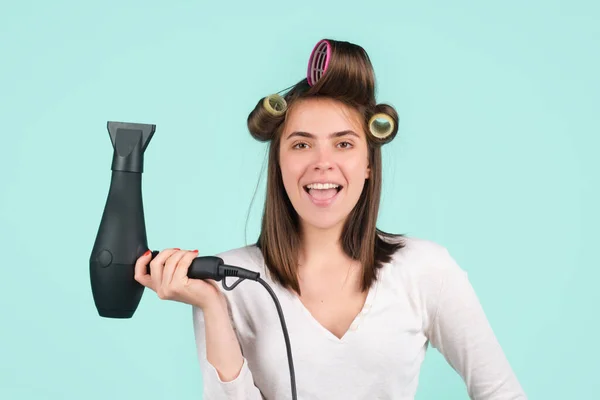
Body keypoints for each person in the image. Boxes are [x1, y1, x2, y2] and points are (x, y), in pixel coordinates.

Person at [133, 39, 527, 399]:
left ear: (369, 163)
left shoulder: (425, 269)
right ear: (280, 163)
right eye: (302, 144)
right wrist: (212, 306)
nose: (323, 164)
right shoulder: (228, 278)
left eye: (343, 143)